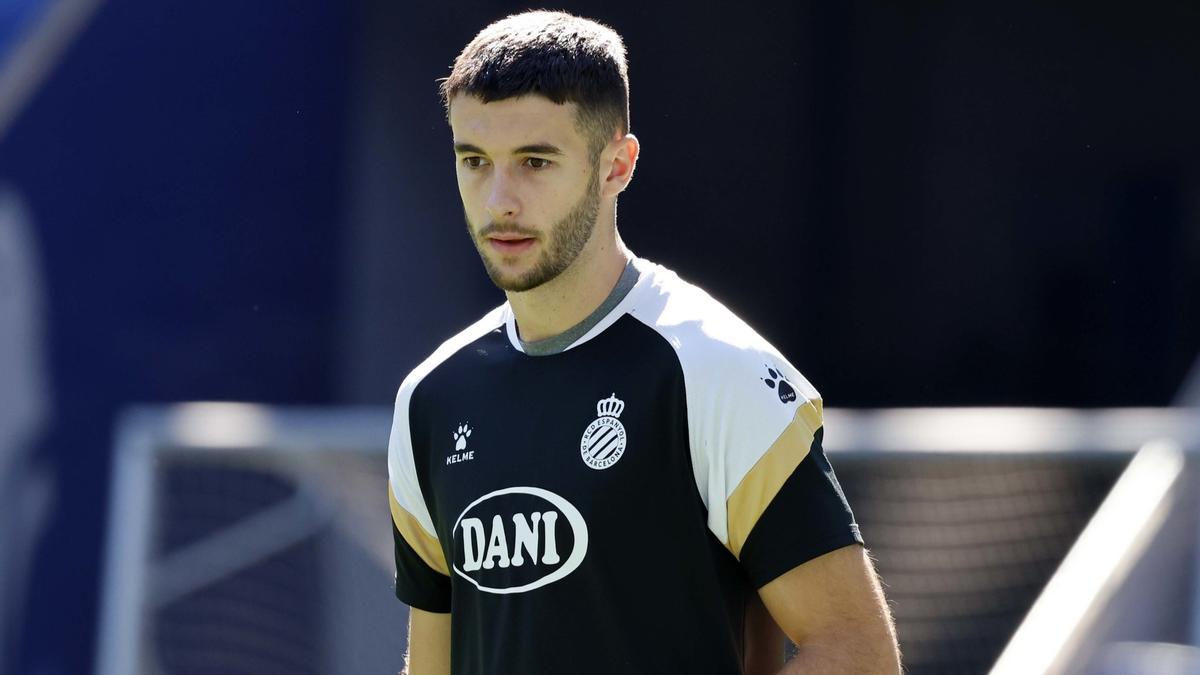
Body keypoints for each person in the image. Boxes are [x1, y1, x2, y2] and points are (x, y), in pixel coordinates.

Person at [387, 10, 900, 674]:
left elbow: (858, 651)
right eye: (474, 161)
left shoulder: (715, 369)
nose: (500, 199)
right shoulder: (430, 398)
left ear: (617, 166)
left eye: (535, 161)